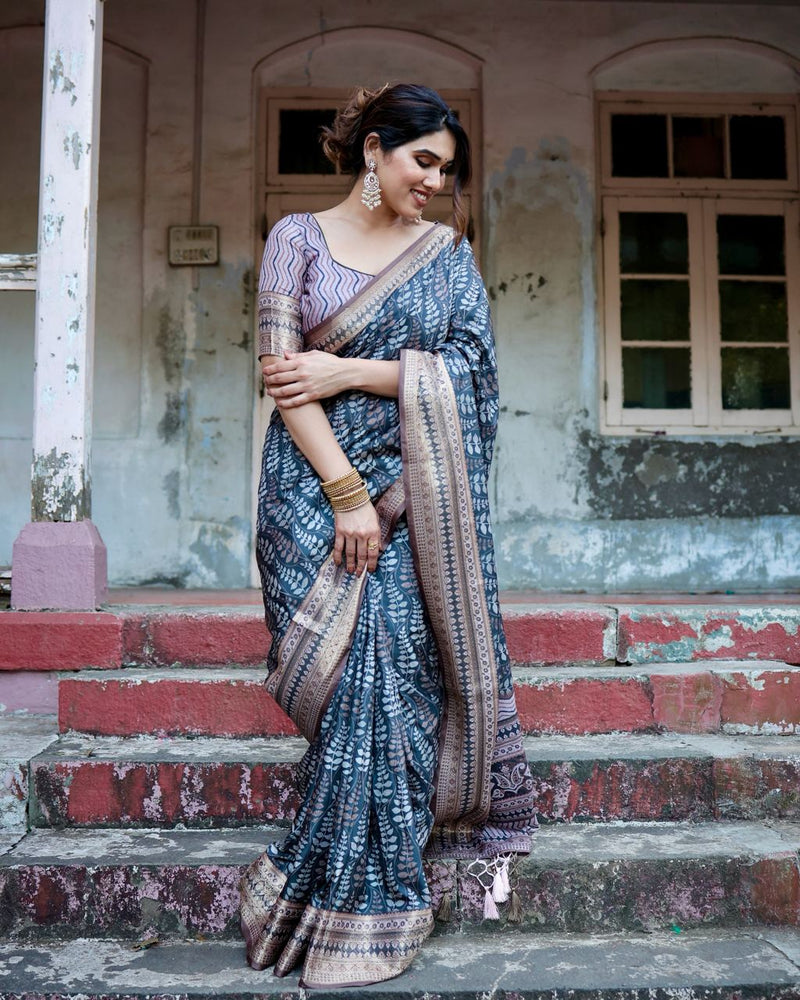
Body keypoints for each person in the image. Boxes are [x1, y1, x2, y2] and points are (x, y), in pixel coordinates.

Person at [239, 82, 537, 990]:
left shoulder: (447, 256)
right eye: (423, 162)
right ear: (374, 150)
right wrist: (346, 495)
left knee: (396, 669)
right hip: (308, 498)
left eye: (447, 171)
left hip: (417, 494)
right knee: (345, 683)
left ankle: (363, 910)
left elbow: (474, 387)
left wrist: (353, 374)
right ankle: (315, 900)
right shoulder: (296, 240)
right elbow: (284, 381)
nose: (437, 184)